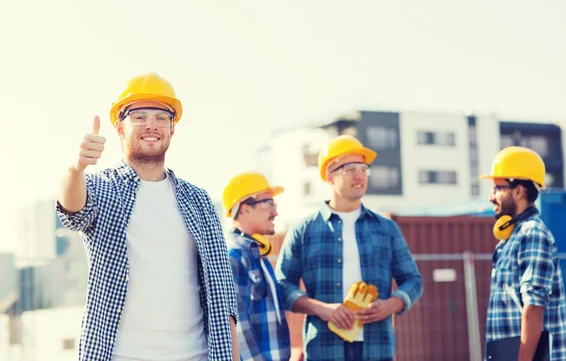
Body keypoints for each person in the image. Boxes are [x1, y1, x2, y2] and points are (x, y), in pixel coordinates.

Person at [55, 72, 239, 361]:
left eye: (161, 117)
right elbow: (72, 211)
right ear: (119, 128)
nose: (151, 125)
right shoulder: (101, 188)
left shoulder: (200, 201)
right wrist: (75, 169)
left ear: (172, 129)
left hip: (197, 355)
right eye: (139, 116)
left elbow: (223, 295)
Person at [275, 135, 423, 361]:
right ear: (329, 176)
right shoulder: (304, 230)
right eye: (350, 169)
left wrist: (391, 305)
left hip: (377, 347)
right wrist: (323, 309)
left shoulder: (386, 229)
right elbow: (283, 285)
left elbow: (413, 280)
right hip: (324, 348)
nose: (360, 175)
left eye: (364, 169)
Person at [480, 146, 566, 360]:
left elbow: (533, 306)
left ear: (519, 191)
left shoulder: (532, 234)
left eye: (497, 188)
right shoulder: (510, 239)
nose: (491, 197)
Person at [222, 171, 291, 360]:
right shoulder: (232, 256)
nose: (275, 212)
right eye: (269, 203)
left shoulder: (256, 254)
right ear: (245, 209)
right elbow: (236, 327)